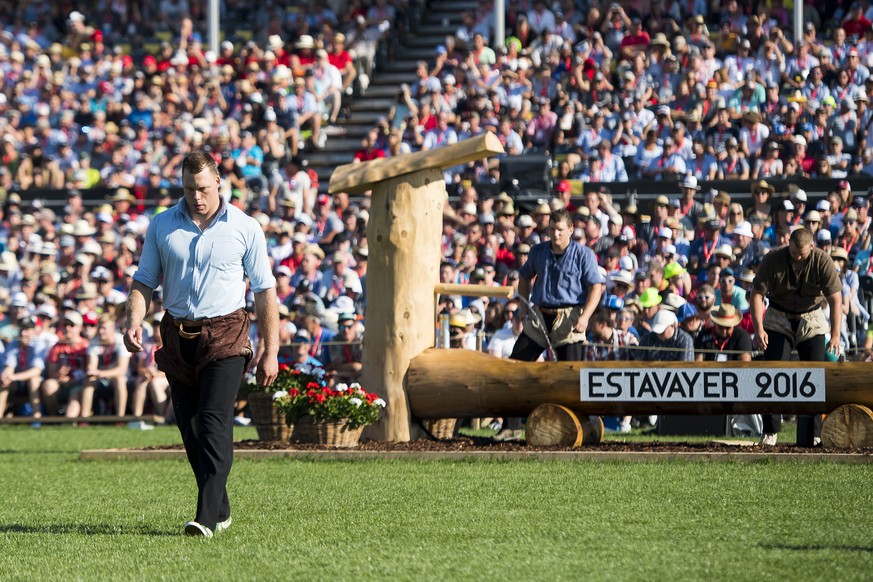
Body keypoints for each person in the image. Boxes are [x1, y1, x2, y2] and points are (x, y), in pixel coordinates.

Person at [124, 151, 279, 538]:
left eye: (204, 188)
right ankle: (221, 506)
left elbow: (264, 292)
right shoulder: (161, 225)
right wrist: (133, 320)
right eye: (190, 188)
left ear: (218, 184)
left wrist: (269, 350)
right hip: (177, 335)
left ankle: (205, 519)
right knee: (191, 429)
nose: (197, 197)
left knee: (212, 422)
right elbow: (144, 279)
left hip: (227, 335)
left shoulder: (245, 227)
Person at [498, 208, 604, 441]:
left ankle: (579, 425)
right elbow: (525, 276)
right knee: (517, 366)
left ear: (570, 230)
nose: (555, 235)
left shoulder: (583, 254)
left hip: (569, 317)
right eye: (552, 230)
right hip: (539, 315)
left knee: (571, 376)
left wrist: (585, 317)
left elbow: (596, 287)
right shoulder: (538, 251)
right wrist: (525, 307)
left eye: (560, 230)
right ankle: (511, 423)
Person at [751, 228, 842, 447]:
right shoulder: (773, 259)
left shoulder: (822, 260)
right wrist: (759, 329)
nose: (798, 258)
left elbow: (835, 299)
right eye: (794, 253)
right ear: (788, 244)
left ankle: (813, 433)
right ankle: (770, 431)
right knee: (772, 371)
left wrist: (836, 333)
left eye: (802, 254)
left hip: (811, 316)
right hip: (778, 316)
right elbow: (757, 294)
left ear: (812, 247)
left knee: (815, 376)